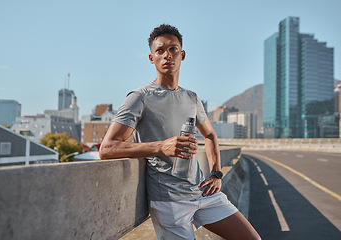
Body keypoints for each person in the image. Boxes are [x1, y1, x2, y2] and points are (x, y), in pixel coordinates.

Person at [99, 24, 260, 240]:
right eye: (160, 50)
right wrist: (160, 147)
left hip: (202, 192)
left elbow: (210, 135)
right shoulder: (139, 97)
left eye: (173, 49)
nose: (167, 55)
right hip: (169, 201)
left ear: (182, 55)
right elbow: (107, 148)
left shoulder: (192, 98)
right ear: (151, 58)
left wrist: (216, 172)